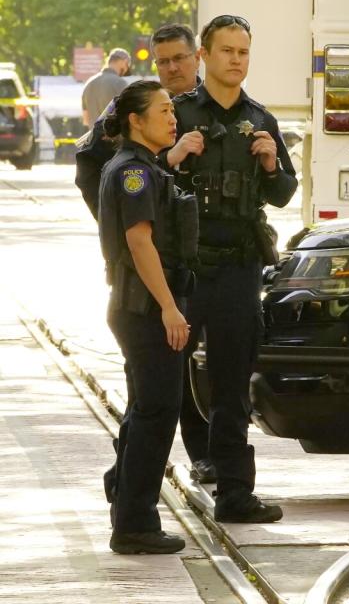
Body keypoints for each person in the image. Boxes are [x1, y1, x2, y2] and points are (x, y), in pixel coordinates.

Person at [167, 15, 297, 523]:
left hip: (239, 270)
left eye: (244, 52)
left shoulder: (261, 120)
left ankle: (236, 494)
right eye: (227, 51)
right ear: (203, 56)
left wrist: (270, 165)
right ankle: (132, 491)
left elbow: (283, 194)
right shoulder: (176, 114)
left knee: (231, 386)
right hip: (186, 270)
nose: (237, 60)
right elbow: (141, 179)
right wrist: (176, 155)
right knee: (160, 381)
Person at [76, 24, 214, 485]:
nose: (172, 67)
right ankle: (134, 501)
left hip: (201, 272)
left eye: (180, 58)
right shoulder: (135, 120)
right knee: (155, 404)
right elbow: (94, 168)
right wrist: (118, 223)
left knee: (172, 397)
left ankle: (138, 490)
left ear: (198, 58)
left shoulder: (230, 106)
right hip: (150, 288)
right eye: (163, 60)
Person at [98, 80, 197, 554]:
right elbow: (140, 241)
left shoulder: (146, 167)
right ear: (136, 121)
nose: (172, 117)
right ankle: (135, 524)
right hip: (145, 308)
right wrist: (169, 308)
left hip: (140, 305)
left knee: (146, 409)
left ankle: (124, 493)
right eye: (162, 110)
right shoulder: (133, 172)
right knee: (157, 412)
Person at [82, 48, 131, 128]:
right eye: (127, 66)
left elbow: (86, 120)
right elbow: (128, 115)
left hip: (94, 138)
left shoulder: (89, 83)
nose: (125, 71)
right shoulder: (120, 83)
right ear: (124, 62)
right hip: (115, 138)